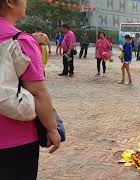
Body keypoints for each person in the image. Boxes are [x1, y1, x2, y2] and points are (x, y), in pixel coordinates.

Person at [0, 0, 61, 179]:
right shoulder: (20, 41)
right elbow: (37, 92)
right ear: (10, 2)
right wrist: (52, 128)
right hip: (15, 141)